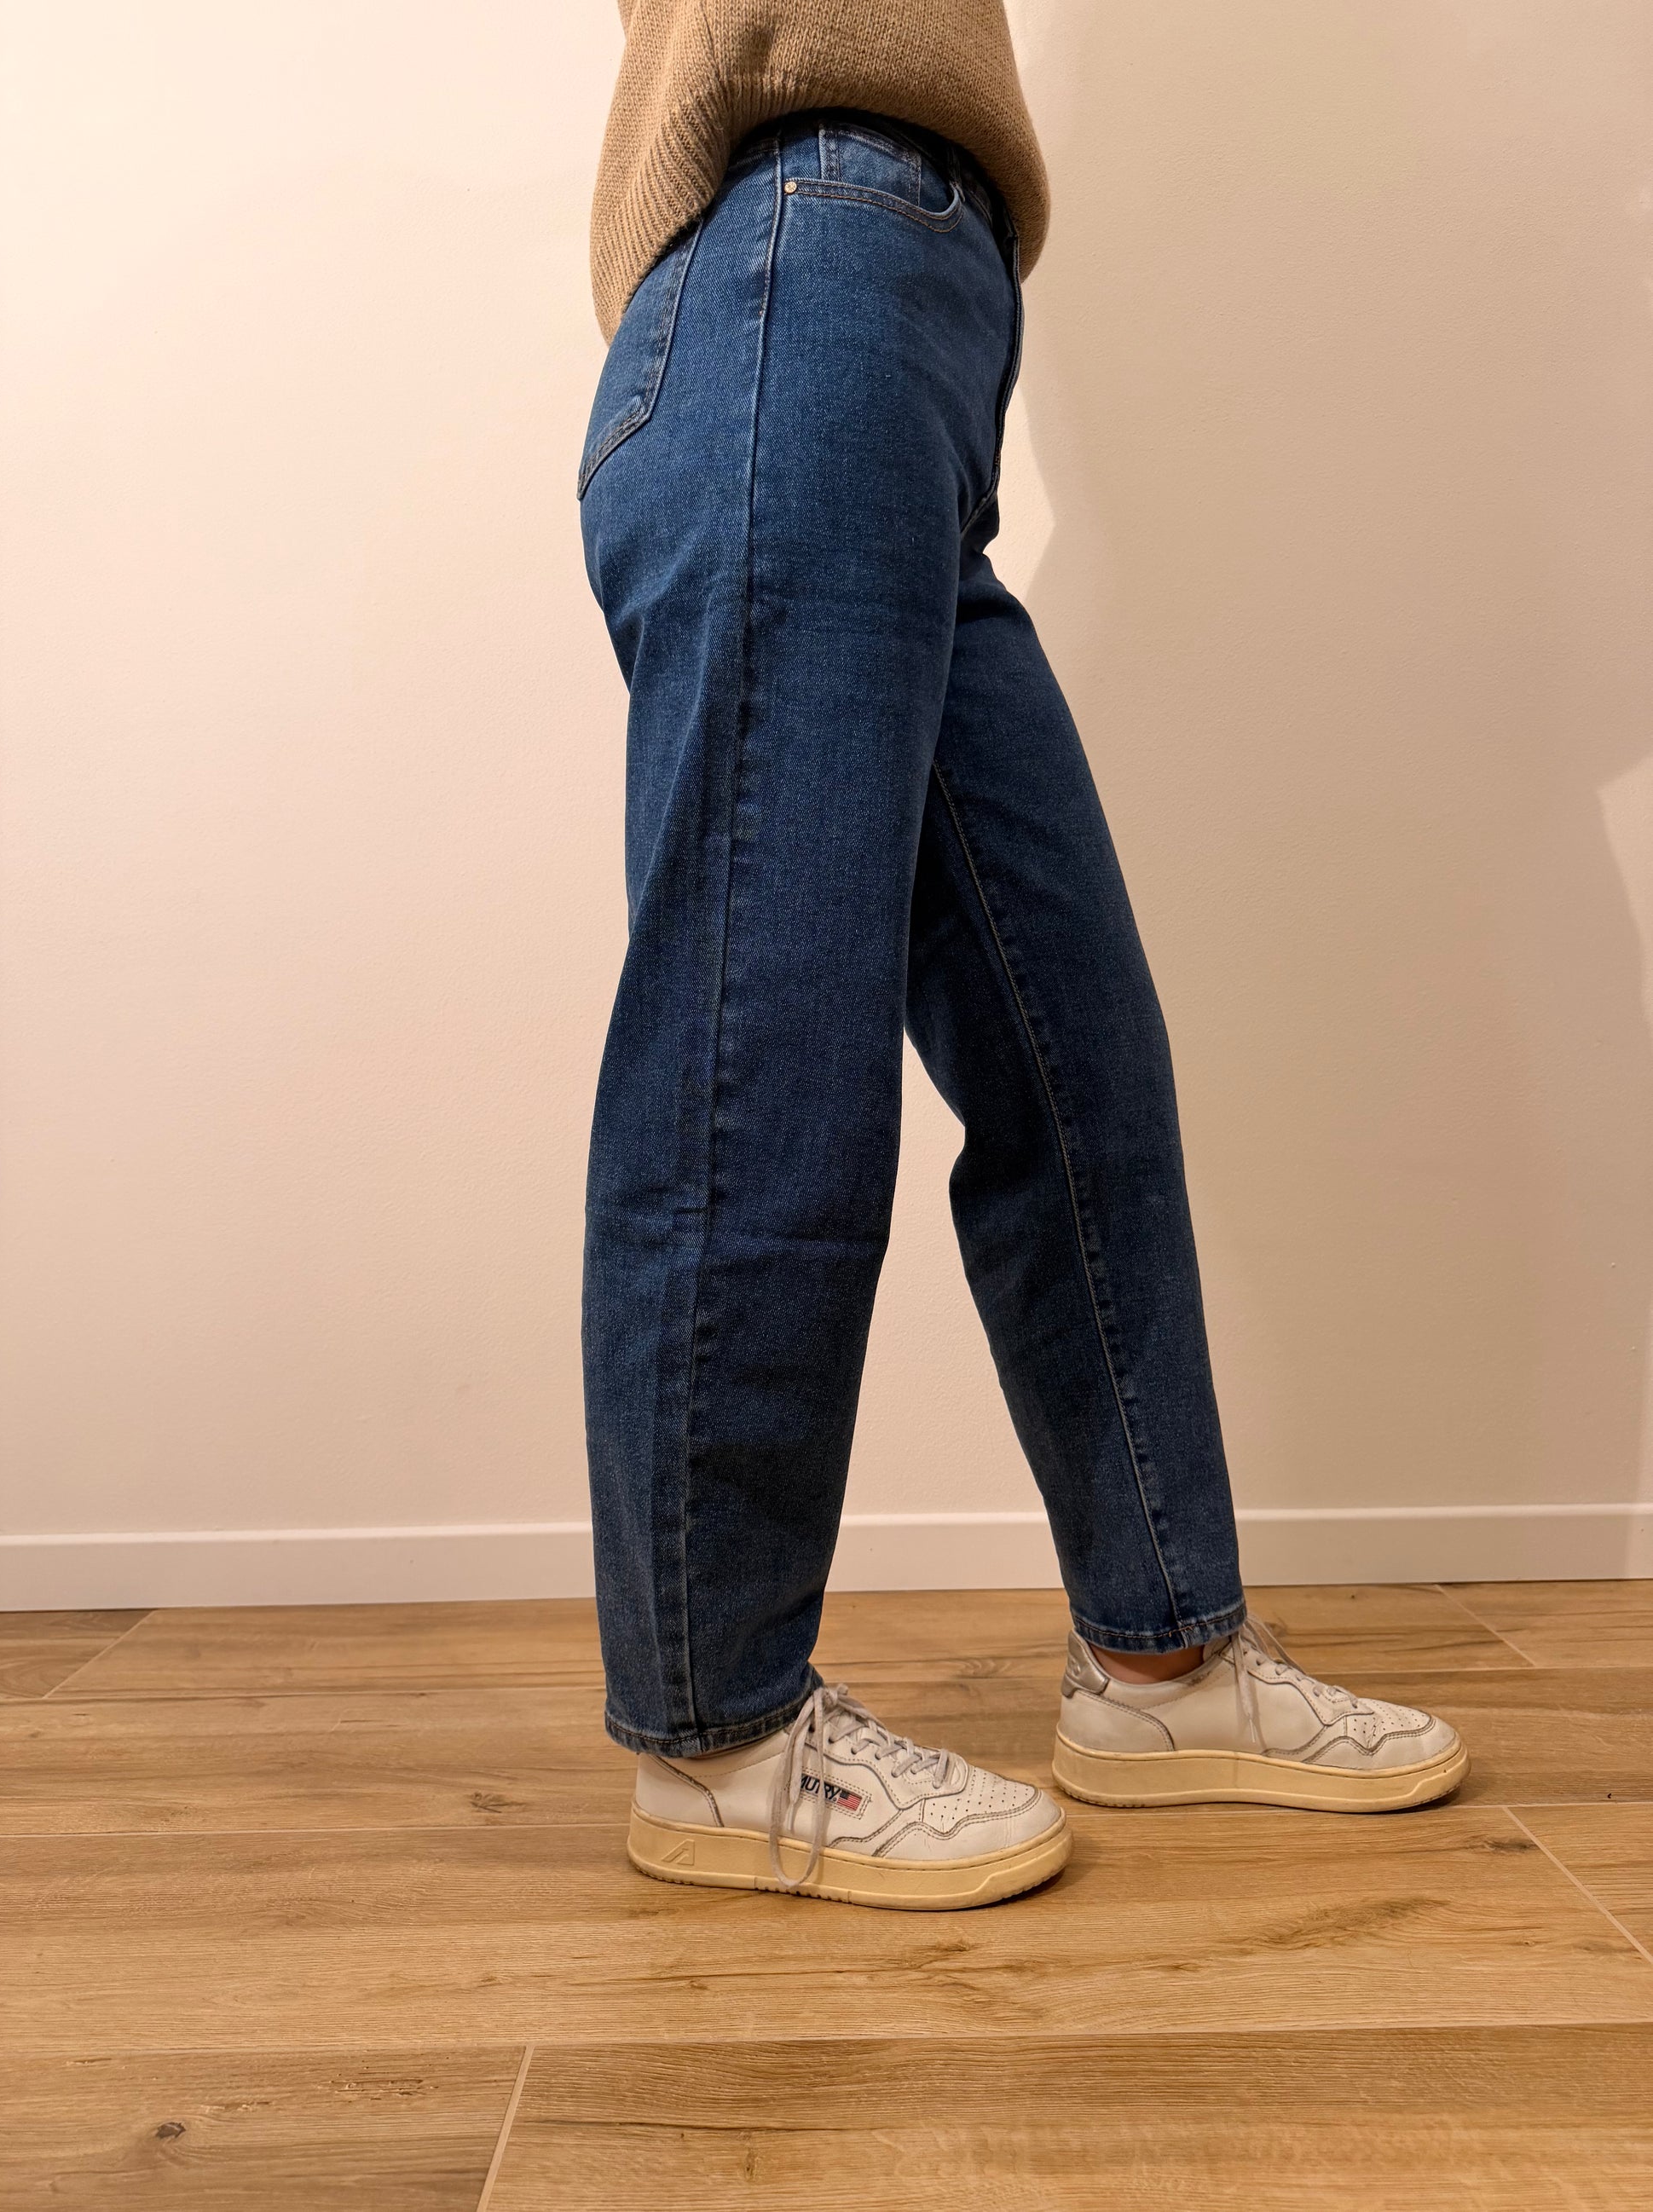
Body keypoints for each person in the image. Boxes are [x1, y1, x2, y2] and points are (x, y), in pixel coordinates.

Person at [575, 1, 1468, 1909]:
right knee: (759, 1056)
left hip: (908, 357)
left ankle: (1162, 1660)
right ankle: (717, 1731)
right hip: (795, 286)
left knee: (1076, 1057)